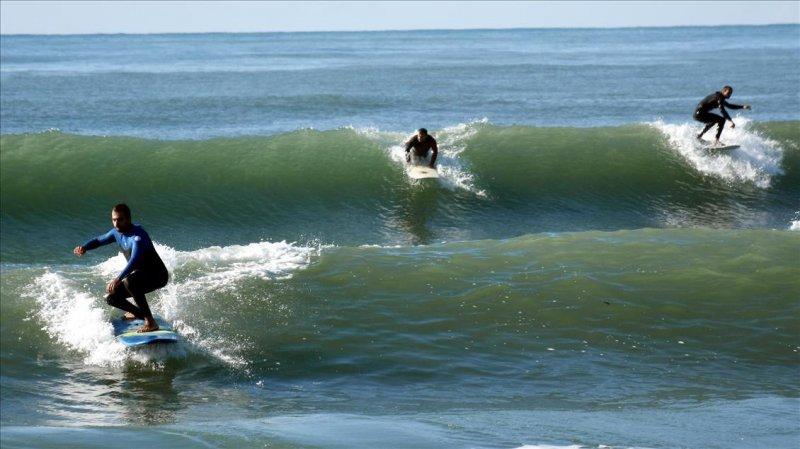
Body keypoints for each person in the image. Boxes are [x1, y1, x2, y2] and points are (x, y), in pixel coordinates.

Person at [73, 204, 168, 333]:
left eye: (120, 219)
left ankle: (151, 322)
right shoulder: (116, 233)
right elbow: (99, 240)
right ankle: (139, 313)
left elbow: (134, 260)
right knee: (112, 297)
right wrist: (84, 247)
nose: (116, 223)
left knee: (130, 282)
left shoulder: (137, 236)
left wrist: (118, 279)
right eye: (114, 219)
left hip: (158, 275)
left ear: (128, 219)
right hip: (141, 275)